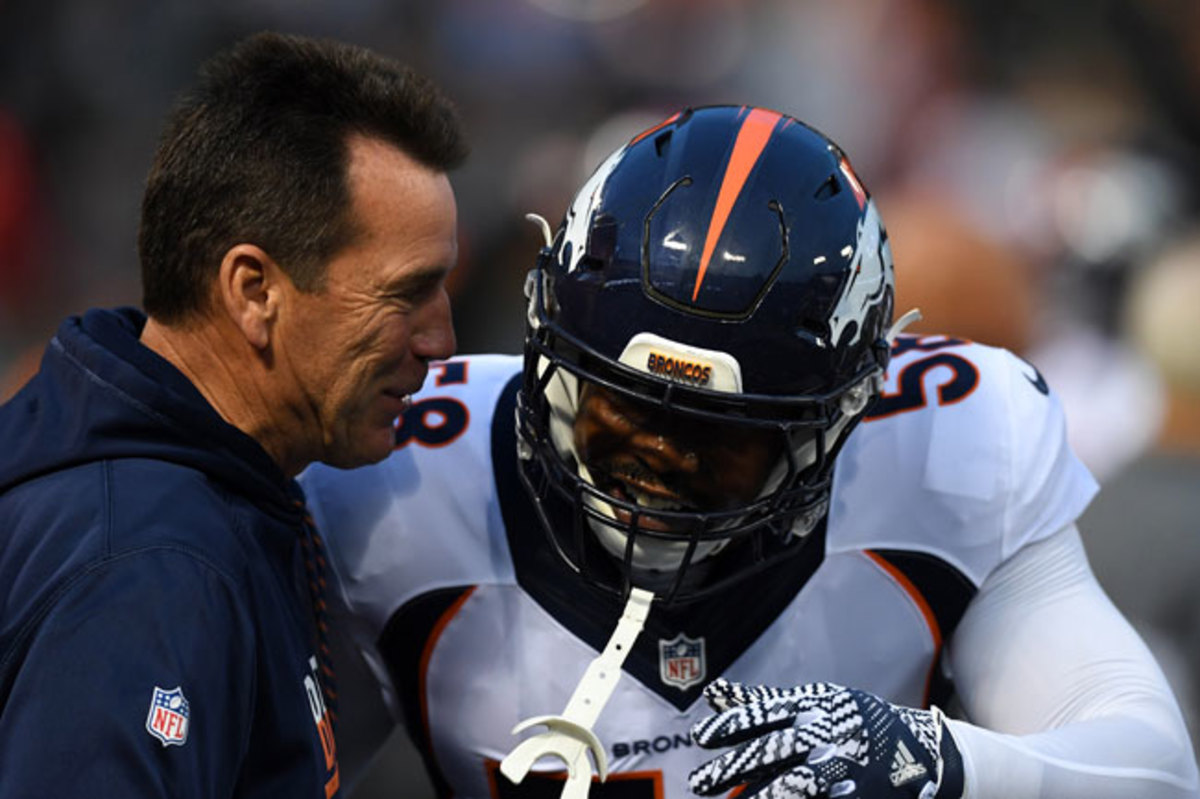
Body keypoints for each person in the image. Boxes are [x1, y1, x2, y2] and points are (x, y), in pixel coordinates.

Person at [300, 105, 1198, 799]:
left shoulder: (953, 447)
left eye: (713, 436)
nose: (654, 461)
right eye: (618, 408)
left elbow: (1154, 767)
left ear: (838, 417)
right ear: (549, 354)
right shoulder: (400, 478)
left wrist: (937, 761)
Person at [0, 31, 465, 799]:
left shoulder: (201, 489)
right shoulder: (150, 566)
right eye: (405, 293)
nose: (440, 341)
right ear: (254, 291)